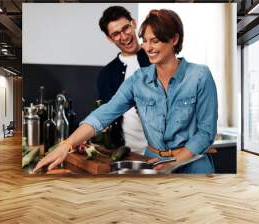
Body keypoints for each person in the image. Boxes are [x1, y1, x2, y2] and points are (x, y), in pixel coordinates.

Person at [34, 9, 218, 174]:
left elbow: (206, 132)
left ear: (174, 39)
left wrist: (174, 162)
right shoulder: (138, 80)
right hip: (152, 161)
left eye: (155, 41)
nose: (148, 47)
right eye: (145, 41)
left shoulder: (199, 76)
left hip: (193, 163)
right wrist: (66, 145)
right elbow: (103, 114)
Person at [97, 6, 150, 154]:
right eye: (116, 34)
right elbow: (105, 116)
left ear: (133, 23)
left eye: (126, 28)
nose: (124, 36)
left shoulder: (157, 59)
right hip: (126, 155)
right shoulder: (105, 75)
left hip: (162, 153)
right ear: (109, 38)